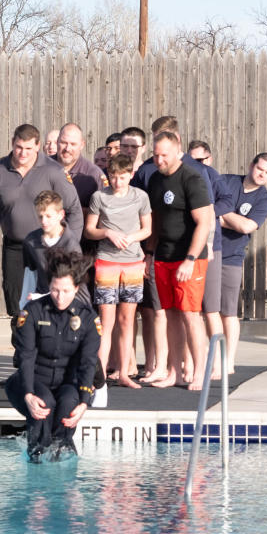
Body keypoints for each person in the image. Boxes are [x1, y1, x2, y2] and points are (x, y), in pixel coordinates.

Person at [0, 123, 82, 317]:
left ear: (38, 146)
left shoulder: (53, 171)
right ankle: (22, 346)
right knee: (17, 306)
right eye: (19, 147)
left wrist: (69, 244)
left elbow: (74, 210)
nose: (23, 153)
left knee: (52, 302)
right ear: (12, 143)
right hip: (15, 249)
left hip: (49, 247)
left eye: (29, 148)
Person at [6, 250, 101, 462]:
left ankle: (62, 457)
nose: (60, 296)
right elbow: (26, 357)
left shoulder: (88, 319)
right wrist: (28, 394)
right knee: (44, 404)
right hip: (33, 382)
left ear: (76, 289)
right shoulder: (33, 312)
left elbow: (88, 362)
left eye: (66, 291)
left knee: (68, 404)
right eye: (55, 290)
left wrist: (84, 402)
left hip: (67, 384)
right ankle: (37, 459)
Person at [144, 131, 214, 390]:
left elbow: (204, 222)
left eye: (164, 155)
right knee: (171, 315)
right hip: (164, 256)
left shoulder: (192, 178)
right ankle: (175, 371)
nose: (159, 160)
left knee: (190, 315)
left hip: (189, 259)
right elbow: (156, 221)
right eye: (156, 155)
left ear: (178, 152)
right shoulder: (154, 179)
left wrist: (190, 258)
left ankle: (198, 372)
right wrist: (149, 254)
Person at [84, 153, 152, 387]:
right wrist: (108, 233)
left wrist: (130, 238)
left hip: (132, 263)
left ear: (131, 175)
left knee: (127, 320)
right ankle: (99, 374)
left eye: (122, 177)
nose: (117, 182)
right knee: (106, 320)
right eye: (113, 177)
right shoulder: (99, 197)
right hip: (107, 262)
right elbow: (89, 230)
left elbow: (147, 229)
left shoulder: (140, 197)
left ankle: (124, 372)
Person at [218, 153, 267, 372]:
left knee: (229, 312)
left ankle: (229, 361)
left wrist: (222, 214)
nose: (262, 175)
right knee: (206, 312)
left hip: (232, 257)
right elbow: (207, 209)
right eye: (260, 169)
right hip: (208, 253)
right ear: (251, 165)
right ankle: (212, 358)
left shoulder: (264, 199)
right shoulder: (226, 182)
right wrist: (233, 219)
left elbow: (247, 227)